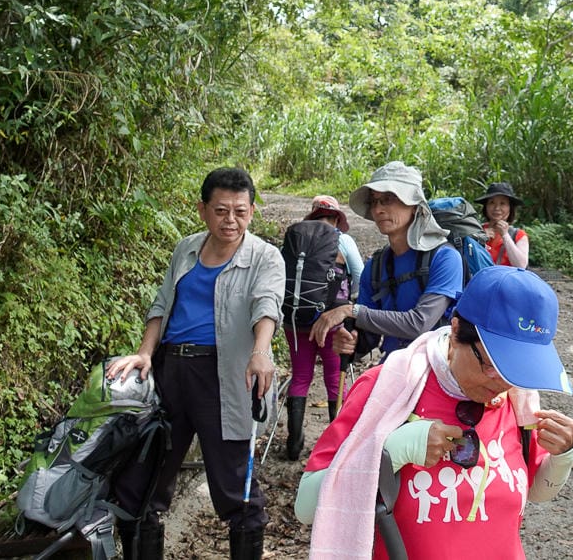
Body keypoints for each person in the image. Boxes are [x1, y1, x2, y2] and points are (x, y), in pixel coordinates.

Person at [295, 264, 573, 559]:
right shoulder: (388, 389)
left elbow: (536, 491)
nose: (503, 382)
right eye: (491, 365)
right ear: (456, 330)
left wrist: (565, 455)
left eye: (517, 368)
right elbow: (306, 506)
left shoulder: (518, 399)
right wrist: (392, 451)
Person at [106, 167, 286, 560]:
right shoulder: (187, 248)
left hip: (224, 377)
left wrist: (261, 351)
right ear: (203, 209)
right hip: (171, 373)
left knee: (236, 489)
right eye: (221, 211)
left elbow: (266, 304)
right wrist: (144, 352)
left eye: (240, 211)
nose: (231, 221)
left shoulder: (265, 257)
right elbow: (161, 305)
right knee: (143, 482)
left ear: (252, 211)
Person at [309, 161, 463, 360]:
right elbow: (370, 332)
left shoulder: (445, 258)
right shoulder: (375, 267)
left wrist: (350, 311)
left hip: (439, 372)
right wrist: (352, 341)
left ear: (415, 206)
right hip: (393, 368)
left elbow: (418, 323)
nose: (378, 209)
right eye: (374, 202)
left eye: (388, 199)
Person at [282, 196, 366, 460]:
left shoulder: (297, 238)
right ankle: (337, 444)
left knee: (301, 377)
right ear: (336, 218)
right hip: (331, 320)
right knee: (333, 379)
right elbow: (360, 274)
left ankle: (294, 443)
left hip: (295, 321)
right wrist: (348, 305)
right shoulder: (343, 239)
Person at [476, 181, 529, 268]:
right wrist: (480, 239)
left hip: (508, 280)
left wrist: (505, 235)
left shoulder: (518, 235)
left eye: (502, 203)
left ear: (510, 208)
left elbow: (521, 265)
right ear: (486, 207)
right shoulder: (476, 230)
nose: (497, 208)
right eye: (492, 203)